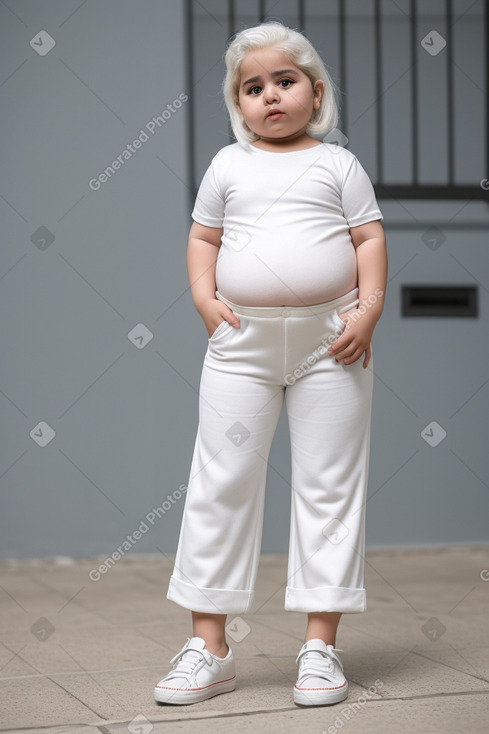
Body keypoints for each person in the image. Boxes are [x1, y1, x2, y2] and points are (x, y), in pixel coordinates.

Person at [155, 20, 387, 708]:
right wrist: (204, 298)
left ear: (315, 93)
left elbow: (367, 237)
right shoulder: (228, 165)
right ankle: (209, 646)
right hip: (240, 345)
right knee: (218, 481)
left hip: (331, 342)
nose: (269, 96)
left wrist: (366, 311)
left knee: (328, 486)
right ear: (238, 104)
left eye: (283, 81)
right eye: (252, 88)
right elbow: (203, 237)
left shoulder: (338, 165)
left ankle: (320, 647)